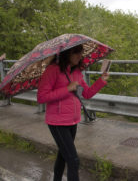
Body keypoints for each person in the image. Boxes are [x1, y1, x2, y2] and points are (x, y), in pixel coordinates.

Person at [37, 44, 109, 181]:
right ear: (67, 54)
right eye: (76, 53)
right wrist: (67, 89)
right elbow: (42, 97)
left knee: (63, 155)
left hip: (73, 120)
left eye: (80, 53)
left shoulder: (76, 72)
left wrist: (101, 81)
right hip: (57, 122)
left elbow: (86, 94)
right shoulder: (53, 70)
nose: (79, 56)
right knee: (73, 160)